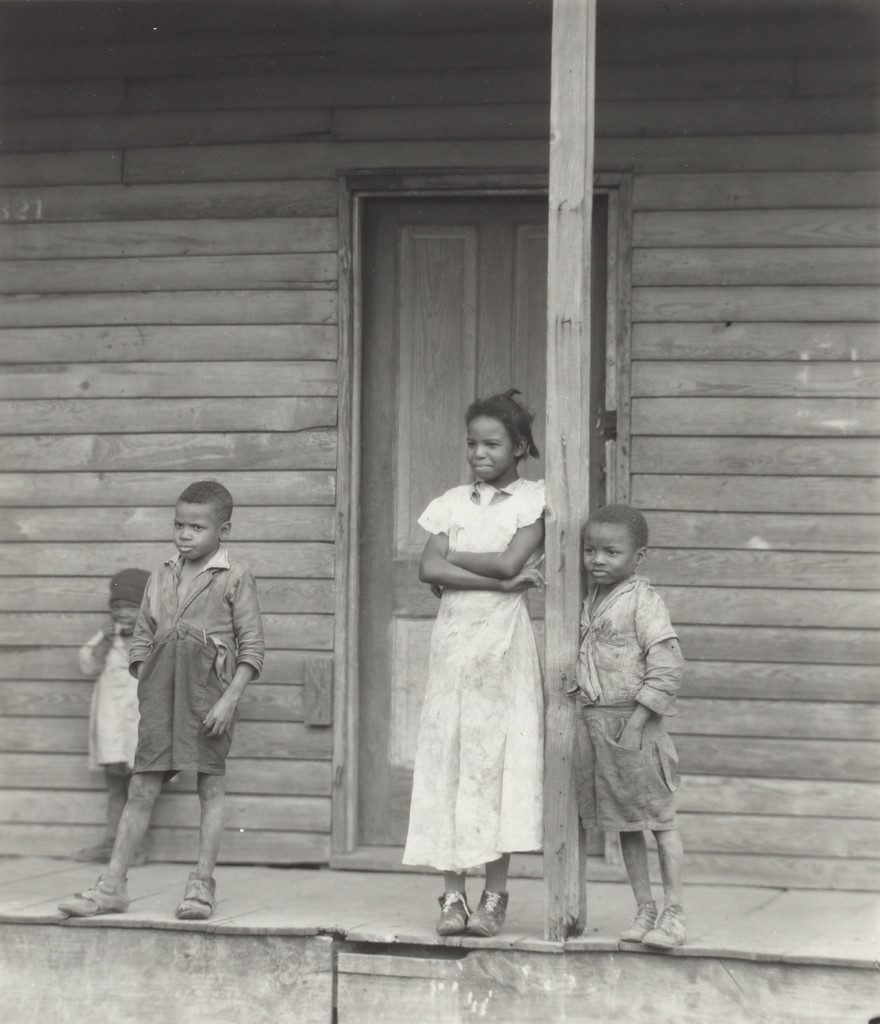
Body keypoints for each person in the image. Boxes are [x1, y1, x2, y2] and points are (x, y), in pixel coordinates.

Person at [59, 480, 264, 921]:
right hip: (159, 694)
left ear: (223, 530)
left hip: (209, 697)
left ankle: (202, 886)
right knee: (140, 786)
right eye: (178, 525)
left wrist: (228, 701)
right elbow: (142, 635)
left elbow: (252, 647)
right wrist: (145, 677)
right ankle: (112, 887)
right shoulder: (161, 575)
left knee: (210, 786)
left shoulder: (235, 576)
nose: (185, 535)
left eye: (197, 527)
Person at [403, 389, 546, 938]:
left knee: (493, 760)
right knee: (451, 756)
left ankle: (494, 895)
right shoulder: (451, 503)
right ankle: (452, 896)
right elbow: (427, 569)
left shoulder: (533, 500)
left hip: (502, 645)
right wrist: (497, 580)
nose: (479, 454)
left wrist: (456, 560)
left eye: (492, 444)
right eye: (472, 444)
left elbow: (511, 560)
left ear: (520, 446)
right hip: (455, 643)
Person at [571, 504, 686, 948]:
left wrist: (638, 722)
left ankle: (673, 915)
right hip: (600, 726)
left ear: (638, 557)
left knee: (661, 822)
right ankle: (645, 909)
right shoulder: (592, 598)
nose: (597, 560)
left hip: (637, 726)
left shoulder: (643, 600)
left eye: (611, 552)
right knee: (626, 825)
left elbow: (667, 668)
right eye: (590, 550)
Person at [73, 567, 151, 866]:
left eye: (130, 607)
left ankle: (136, 849)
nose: (122, 613)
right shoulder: (107, 635)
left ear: (146, 609)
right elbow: (88, 665)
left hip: (140, 719)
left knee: (141, 785)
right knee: (115, 782)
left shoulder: (154, 637)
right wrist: (105, 640)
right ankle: (111, 843)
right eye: (116, 607)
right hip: (112, 720)